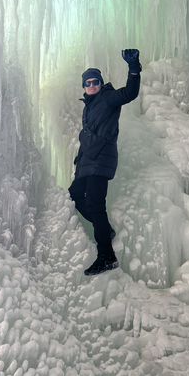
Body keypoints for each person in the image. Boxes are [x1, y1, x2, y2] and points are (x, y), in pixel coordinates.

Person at [68, 49, 142, 275]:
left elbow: (129, 93)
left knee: (95, 205)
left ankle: (106, 256)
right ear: (84, 86)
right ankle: (105, 230)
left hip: (101, 161)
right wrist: (79, 158)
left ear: (101, 83)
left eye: (95, 82)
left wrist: (134, 69)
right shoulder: (89, 106)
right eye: (88, 82)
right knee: (75, 195)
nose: (91, 85)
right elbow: (89, 135)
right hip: (88, 162)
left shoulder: (108, 98)